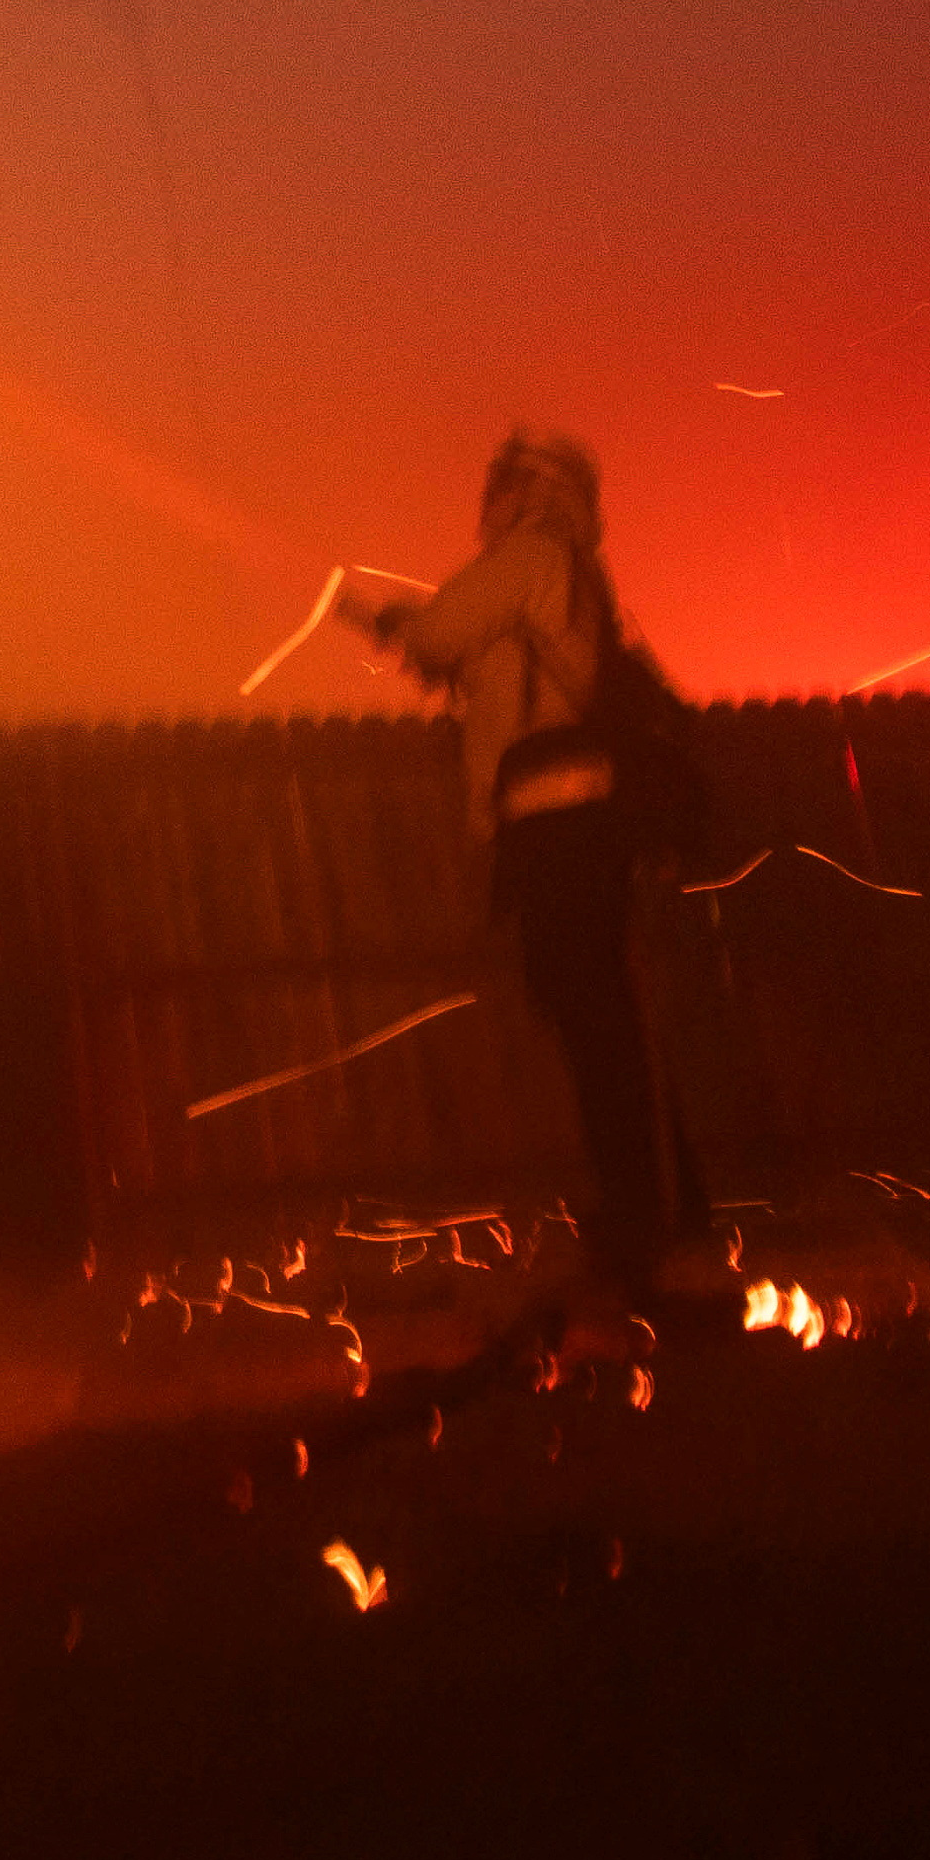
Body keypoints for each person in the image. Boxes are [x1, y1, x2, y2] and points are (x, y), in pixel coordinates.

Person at [352, 429, 683, 1309]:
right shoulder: (567, 566)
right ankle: (651, 1203)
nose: (486, 498)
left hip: (557, 822)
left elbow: (441, 626)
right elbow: (483, 655)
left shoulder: (530, 553)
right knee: (597, 1014)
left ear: (526, 491)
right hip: (575, 821)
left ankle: (639, 1217)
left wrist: (393, 623)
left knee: (590, 1016)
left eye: (498, 481)